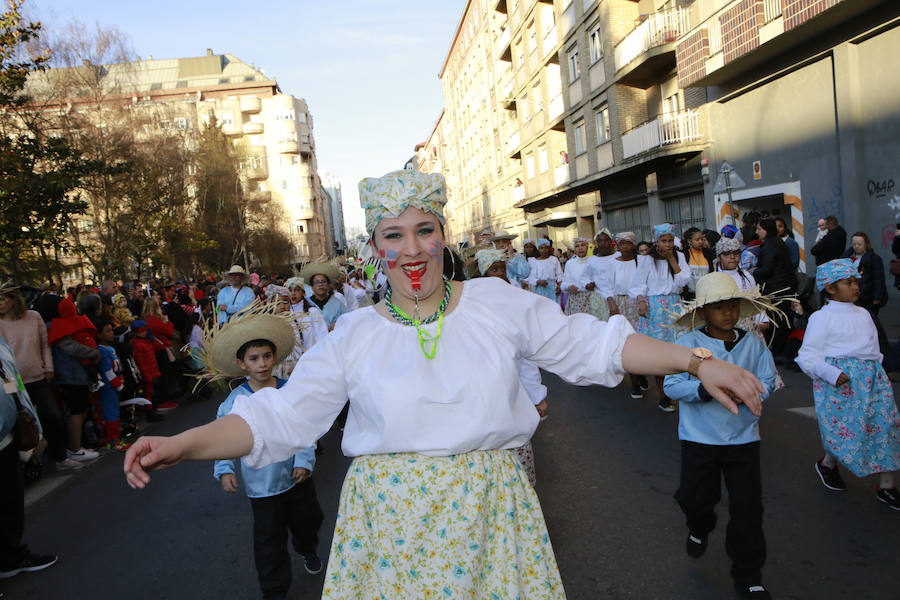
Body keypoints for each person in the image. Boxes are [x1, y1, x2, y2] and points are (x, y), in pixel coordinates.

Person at [124, 169, 767, 599]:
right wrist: (182, 445)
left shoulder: (495, 302)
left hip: (490, 514)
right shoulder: (353, 334)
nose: (412, 249)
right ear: (375, 247)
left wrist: (696, 362)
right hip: (388, 527)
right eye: (393, 235)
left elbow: (593, 344)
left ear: (443, 236)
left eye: (424, 231)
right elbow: (279, 418)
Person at [664, 273, 779, 599]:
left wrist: (750, 391)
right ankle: (700, 526)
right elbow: (672, 385)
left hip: (743, 439)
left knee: (748, 510)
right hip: (699, 439)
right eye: (719, 307)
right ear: (703, 312)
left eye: (733, 305)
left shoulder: (753, 344)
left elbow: (768, 380)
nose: (728, 313)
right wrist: (704, 389)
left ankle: (748, 575)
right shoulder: (688, 344)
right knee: (694, 499)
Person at [207, 306, 323, 599]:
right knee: (268, 540)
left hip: (298, 478)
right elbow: (224, 437)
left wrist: (304, 460)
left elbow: (305, 427)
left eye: (267, 356)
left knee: (308, 522)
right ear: (242, 364)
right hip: (263, 487)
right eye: (254, 358)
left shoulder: (290, 390)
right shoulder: (235, 402)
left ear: (275, 357)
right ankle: (274, 590)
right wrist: (224, 468)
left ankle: (307, 548)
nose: (262, 364)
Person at [796, 259, 900, 510]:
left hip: (873, 380)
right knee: (848, 430)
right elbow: (807, 356)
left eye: (856, 282)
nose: (855, 287)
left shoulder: (864, 314)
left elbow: (873, 349)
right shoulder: (821, 318)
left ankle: (887, 485)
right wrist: (830, 372)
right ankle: (828, 463)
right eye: (848, 282)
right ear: (830, 288)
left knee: (884, 426)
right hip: (839, 384)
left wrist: (877, 373)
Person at [475, 248, 549, 486]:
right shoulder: (468, 303)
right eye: (493, 269)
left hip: (512, 390)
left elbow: (524, 357)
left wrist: (537, 396)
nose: (499, 274)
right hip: (481, 395)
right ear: (482, 273)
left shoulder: (513, 299)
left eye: (502, 269)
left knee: (515, 445)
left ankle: (520, 490)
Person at [0, 284, 80, 471]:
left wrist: (48, 367)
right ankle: (26, 464)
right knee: (17, 418)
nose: (0, 303)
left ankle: (60, 456)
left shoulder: (33, 317)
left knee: (52, 416)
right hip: (12, 381)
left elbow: (45, 344)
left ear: (14, 299)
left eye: (3, 299)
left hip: (37, 376)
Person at [0, 337, 57, 580]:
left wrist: (32, 422)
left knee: (10, 501)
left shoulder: (1, 345)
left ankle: (11, 558)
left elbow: (12, 382)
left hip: (7, 437)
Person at [630, 223, 692, 412]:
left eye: (670, 240)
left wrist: (672, 258)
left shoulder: (679, 256)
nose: (667, 244)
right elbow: (638, 284)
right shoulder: (647, 259)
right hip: (655, 308)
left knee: (678, 349)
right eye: (663, 241)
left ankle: (679, 388)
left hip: (674, 306)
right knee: (659, 352)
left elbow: (684, 281)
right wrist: (641, 301)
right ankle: (663, 395)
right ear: (656, 242)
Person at [47, 299, 101, 462]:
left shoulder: (57, 325)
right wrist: (93, 352)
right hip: (71, 376)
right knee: (76, 411)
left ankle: (77, 446)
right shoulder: (56, 327)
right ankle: (75, 448)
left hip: (75, 375)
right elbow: (71, 347)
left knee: (80, 410)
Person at [601, 232, 649, 399]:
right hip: (620, 304)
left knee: (641, 341)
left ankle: (640, 371)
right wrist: (612, 303)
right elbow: (606, 286)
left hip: (639, 303)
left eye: (628, 243)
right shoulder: (613, 263)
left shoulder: (641, 261)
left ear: (633, 245)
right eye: (622, 244)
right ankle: (634, 380)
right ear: (618, 246)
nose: (625, 247)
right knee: (626, 342)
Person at [753, 219, 797, 358]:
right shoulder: (777, 242)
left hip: (775, 290)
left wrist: (754, 271)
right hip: (783, 288)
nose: (757, 232)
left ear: (766, 230)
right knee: (782, 321)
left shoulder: (770, 246)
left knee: (776, 322)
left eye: (759, 229)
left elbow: (767, 269)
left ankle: (777, 352)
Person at [95, 320, 129, 451]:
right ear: (99, 335)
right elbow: (107, 372)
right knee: (111, 413)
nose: (111, 333)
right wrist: (119, 385)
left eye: (111, 330)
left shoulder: (110, 348)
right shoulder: (101, 351)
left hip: (115, 384)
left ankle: (113, 438)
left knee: (114, 411)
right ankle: (113, 441)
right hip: (108, 387)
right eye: (107, 331)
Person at [841, 232, 887, 316]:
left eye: (859, 244)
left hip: (867, 297)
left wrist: (877, 297)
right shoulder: (845, 258)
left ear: (866, 244)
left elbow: (878, 279)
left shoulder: (874, 259)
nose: (856, 246)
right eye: (854, 244)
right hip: (849, 296)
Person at [298, 262, 347, 331]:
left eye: (323, 281)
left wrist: (337, 325)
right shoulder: (307, 303)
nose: (320, 285)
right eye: (317, 282)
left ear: (329, 285)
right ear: (312, 286)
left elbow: (347, 320)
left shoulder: (338, 304)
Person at [560, 238, 594, 315]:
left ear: (587, 247)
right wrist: (569, 286)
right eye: (577, 246)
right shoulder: (570, 263)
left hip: (591, 299)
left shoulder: (593, 261)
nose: (580, 248)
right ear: (574, 250)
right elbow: (563, 284)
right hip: (575, 299)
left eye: (583, 245)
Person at [682, 227, 716, 298]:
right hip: (689, 295)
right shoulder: (683, 254)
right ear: (689, 241)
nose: (700, 242)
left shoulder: (709, 254)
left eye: (702, 239)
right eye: (697, 239)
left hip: (707, 294)